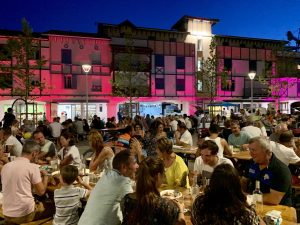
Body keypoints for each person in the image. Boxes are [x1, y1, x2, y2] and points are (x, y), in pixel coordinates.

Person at [78, 150, 139, 225]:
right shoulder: (123, 183)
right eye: (135, 163)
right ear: (124, 167)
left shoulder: (106, 175)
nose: (137, 166)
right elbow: (135, 206)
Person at [121, 157, 185, 225]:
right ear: (158, 176)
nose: (164, 177)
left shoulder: (127, 199)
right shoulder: (166, 206)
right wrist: (181, 211)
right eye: (164, 174)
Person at [191, 164, 263, 225]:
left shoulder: (200, 204)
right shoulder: (245, 214)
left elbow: (193, 220)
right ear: (237, 185)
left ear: (212, 183)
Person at [1, 140, 50, 224]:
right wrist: (45, 176)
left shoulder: (6, 167)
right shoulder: (32, 167)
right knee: (52, 207)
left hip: (7, 213)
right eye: (38, 155)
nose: (38, 158)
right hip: (24, 214)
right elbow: (41, 192)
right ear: (34, 153)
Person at [241, 137, 292, 206]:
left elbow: (273, 199)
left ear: (268, 152)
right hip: (254, 203)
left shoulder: (280, 170)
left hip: (277, 209)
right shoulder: (251, 163)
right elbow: (244, 181)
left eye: (253, 150)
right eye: (249, 150)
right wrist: (241, 193)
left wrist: (248, 197)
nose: (250, 153)